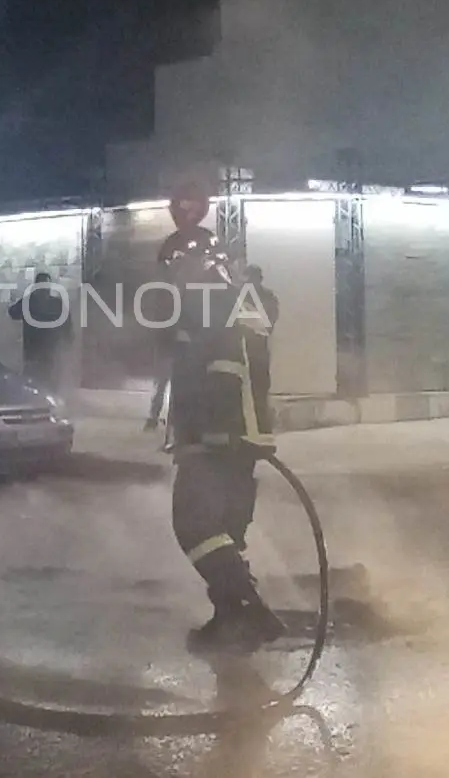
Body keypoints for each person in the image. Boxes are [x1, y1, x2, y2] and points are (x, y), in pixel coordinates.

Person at [158, 183, 286, 654]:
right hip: (239, 434)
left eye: (174, 267)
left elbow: (225, 366)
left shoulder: (209, 297)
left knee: (193, 525)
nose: (171, 277)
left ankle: (247, 611)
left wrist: (211, 431)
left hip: (218, 435)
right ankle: (232, 616)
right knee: (224, 530)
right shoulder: (231, 296)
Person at [8, 271, 67, 392]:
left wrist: (67, 339)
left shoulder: (33, 302)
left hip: (46, 350)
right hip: (36, 351)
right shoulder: (32, 302)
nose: (45, 289)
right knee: (36, 381)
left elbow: (67, 324)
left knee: (43, 382)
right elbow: (13, 312)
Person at [242, 266, 280, 435]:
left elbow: (268, 323)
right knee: (258, 389)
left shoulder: (260, 297)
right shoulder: (245, 296)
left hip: (253, 348)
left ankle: (261, 426)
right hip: (252, 348)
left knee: (258, 389)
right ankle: (260, 427)